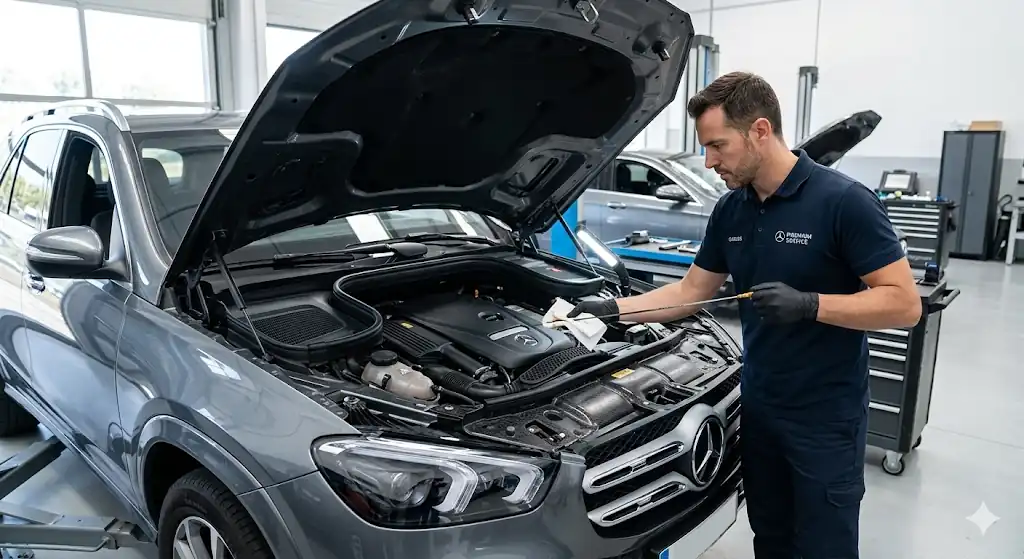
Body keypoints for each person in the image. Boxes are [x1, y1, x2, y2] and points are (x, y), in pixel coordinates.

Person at [567, 71, 921, 558]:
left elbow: (904, 303)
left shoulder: (843, 202)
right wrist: (611, 309)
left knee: (824, 544)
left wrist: (810, 304)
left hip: (825, 417)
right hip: (758, 406)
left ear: (759, 130)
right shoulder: (731, 211)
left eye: (718, 146)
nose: (710, 161)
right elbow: (693, 292)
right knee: (770, 536)